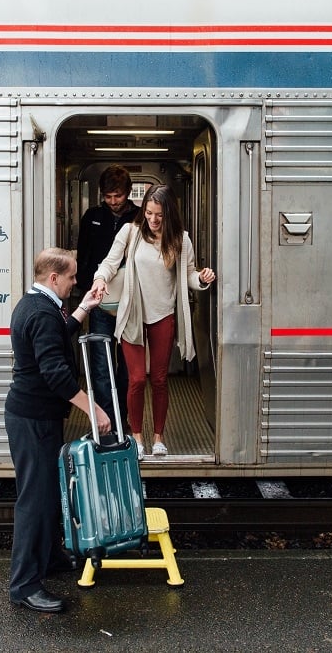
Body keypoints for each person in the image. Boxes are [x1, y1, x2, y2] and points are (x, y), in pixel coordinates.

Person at [5, 247, 110, 613]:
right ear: (54, 279)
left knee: (48, 494)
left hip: (35, 416)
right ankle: (24, 585)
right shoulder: (42, 313)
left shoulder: (35, 305)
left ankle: (49, 559)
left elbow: (57, 335)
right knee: (34, 502)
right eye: (71, 278)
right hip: (32, 419)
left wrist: (85, 309)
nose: (75, 283)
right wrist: (93, 409)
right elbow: (55, 373)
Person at [89, 184, 216, 460]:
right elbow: (110, 263)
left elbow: (189, 276)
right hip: (132, 313)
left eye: (159, 215)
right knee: (136, 380)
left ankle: (158, 437)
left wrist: (202, 279)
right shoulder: (130, 232)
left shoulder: (181, 240)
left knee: (159, 380)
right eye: (148, 213)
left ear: (169, 213)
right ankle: (136, 438)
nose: (153, 220)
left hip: (163, 315)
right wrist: (100, 280)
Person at [75, 164, 140, 439]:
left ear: (127, 193)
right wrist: (84, 294)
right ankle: (106, 422)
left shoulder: (139, 218)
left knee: (126, 368)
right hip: (99, 301)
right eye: (108, 196)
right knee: (100, 366)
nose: (113, 202)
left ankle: (122, 420)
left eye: (118, 196)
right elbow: (84, 255)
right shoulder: (92, 216)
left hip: (130, 302)